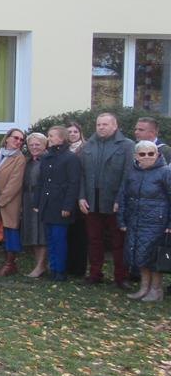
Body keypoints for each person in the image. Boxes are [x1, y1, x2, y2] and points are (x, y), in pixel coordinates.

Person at [78, 112, 134, 289]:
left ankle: (121, 277)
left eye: (105, 124)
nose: (101, 127)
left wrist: (120, 200)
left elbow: (128, 175)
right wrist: (81, 197)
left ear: (115, 126)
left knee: (118, 241)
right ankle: (95, 274)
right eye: (98, 124)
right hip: (92, 200)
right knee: (94, 239)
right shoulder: (88, 146)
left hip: (114, 201)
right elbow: (81, 174)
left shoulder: (127, 145)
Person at [116, 139, 171, 302]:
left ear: (157, 154)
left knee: (154, 257)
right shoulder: (132, 172)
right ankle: (143, 288)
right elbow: (123, 196)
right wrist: (122, 220)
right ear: (136, 156)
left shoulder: (165, 172)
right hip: (136, 221)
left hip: (157, 223)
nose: (147, 156)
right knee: (140, 255)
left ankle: (156, 290)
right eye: (142, 154)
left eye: (151, 153)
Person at [35, 126, 81, 282]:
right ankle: (53, 269)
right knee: (50, 239)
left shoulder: (70, 158)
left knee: (59, 239)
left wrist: (67, 206)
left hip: (60, 204)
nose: (49, 138)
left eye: (51, 136)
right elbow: (41, 182)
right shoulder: (46, 157)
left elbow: (73, 184)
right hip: (47, 204)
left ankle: (60, 271)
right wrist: (37, 202)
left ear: (61, 138)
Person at [0, 128, 27, 276]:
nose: (18, 141)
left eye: (21, 140)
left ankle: (10, 263)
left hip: (9, 201)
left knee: (10, 231)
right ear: (7, 138)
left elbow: (15, 183)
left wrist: (0, 200)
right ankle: (8, 263)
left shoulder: (19, 159)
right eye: (15, 138)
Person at [21, 132, 49, 278]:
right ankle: (39, 264)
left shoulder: (48, 160)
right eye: (31, 145)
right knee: (33, 232)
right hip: (28, 198)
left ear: (45, 145)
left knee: (42, 232)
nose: (34, 147)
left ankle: (41, 266)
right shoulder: (28, 161)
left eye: (37, 144)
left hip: (42, 199)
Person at [64, 121, 88, 277]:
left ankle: (79, 268)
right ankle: (68, 265)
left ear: (80, 133)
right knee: (68, 233)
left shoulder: (85, 149)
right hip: (66, 195)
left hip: (80, 194)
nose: (72, 134)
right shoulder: (64, 149)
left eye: (75, 131)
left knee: (80, 233)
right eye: (69, 132)